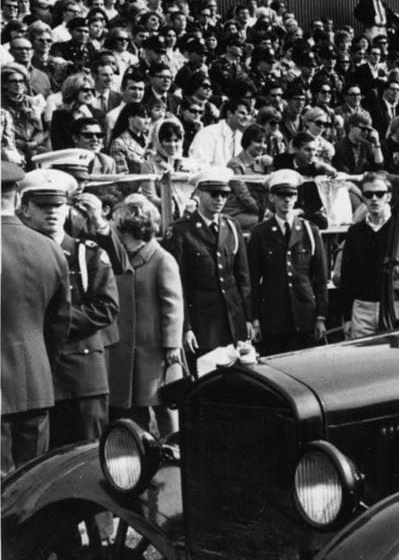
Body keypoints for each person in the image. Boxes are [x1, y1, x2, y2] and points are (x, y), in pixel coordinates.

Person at [18, 168, 118, 450]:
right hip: (37, 375)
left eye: (58, 205)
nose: (52, 212)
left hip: (82, 375)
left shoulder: (87, 254)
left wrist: (52, 322)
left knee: (88, 454)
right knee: (41, 461)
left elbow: (106, 307)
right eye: (43, 205)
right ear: (25, 209)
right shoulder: (17, 254)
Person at [2, 163, 71, 473]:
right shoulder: (50, 248)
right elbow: (59, 325)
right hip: (36, 384)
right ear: (18, 199)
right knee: (30, 483)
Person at [106, 194, 183, 438]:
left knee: (164, 406)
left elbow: (173, 306)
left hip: (155, 351)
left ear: (128, 231)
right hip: (127, 350)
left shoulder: (161, 259)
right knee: (132, 407)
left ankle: (173, 447)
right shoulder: (120, 258)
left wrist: (172, 346)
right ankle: (138, 450)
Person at [162, 166, 254, 368]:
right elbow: (177, 286)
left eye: (224, 194)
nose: (219, 199)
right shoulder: (181, 231)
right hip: (202, 325)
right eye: (213, 193)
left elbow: (243, 277)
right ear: (199, 194)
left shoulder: (231, 226)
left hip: (232, 322)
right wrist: (185, 328)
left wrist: (248, 318)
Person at [246, 170, 329, 355]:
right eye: (281, 195)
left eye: (291, 195)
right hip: (273, 319)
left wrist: (321, 317)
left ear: (296, 198)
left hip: (305, 316)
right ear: (272, 197)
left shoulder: (310, 231)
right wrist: (255, 320)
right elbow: (252, 281)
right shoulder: (260, 233)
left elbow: (320, 278)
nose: (287, 200)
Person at [335, 171, 396, 338]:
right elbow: (347, 276)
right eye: (369, 195)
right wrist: (347, 316)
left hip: (394, 307)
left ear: (388, 196)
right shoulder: (354, 232)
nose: (374, 199)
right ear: (363, 198)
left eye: (380, 194)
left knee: (393, 353)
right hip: (362, 309)